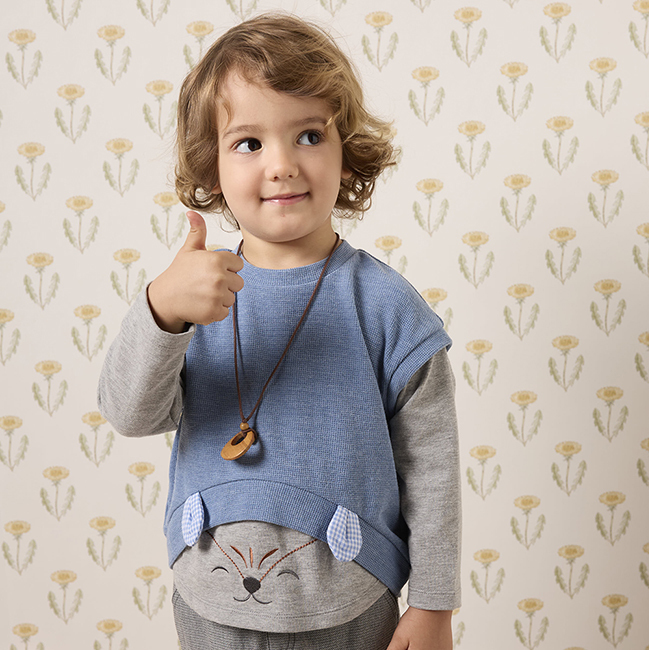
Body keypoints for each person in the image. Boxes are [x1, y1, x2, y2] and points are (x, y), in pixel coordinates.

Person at [98, 13, 461, 650]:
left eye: (309, 135)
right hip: (210, 599)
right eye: (249, 143)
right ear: (212, 167)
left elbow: (432, 469)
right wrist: (160, 309)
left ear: (346, 151)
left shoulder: (387, 307)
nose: (283, 165)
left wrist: (433, 606)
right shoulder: (191, 294)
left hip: (352, 603)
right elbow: (129, 413)